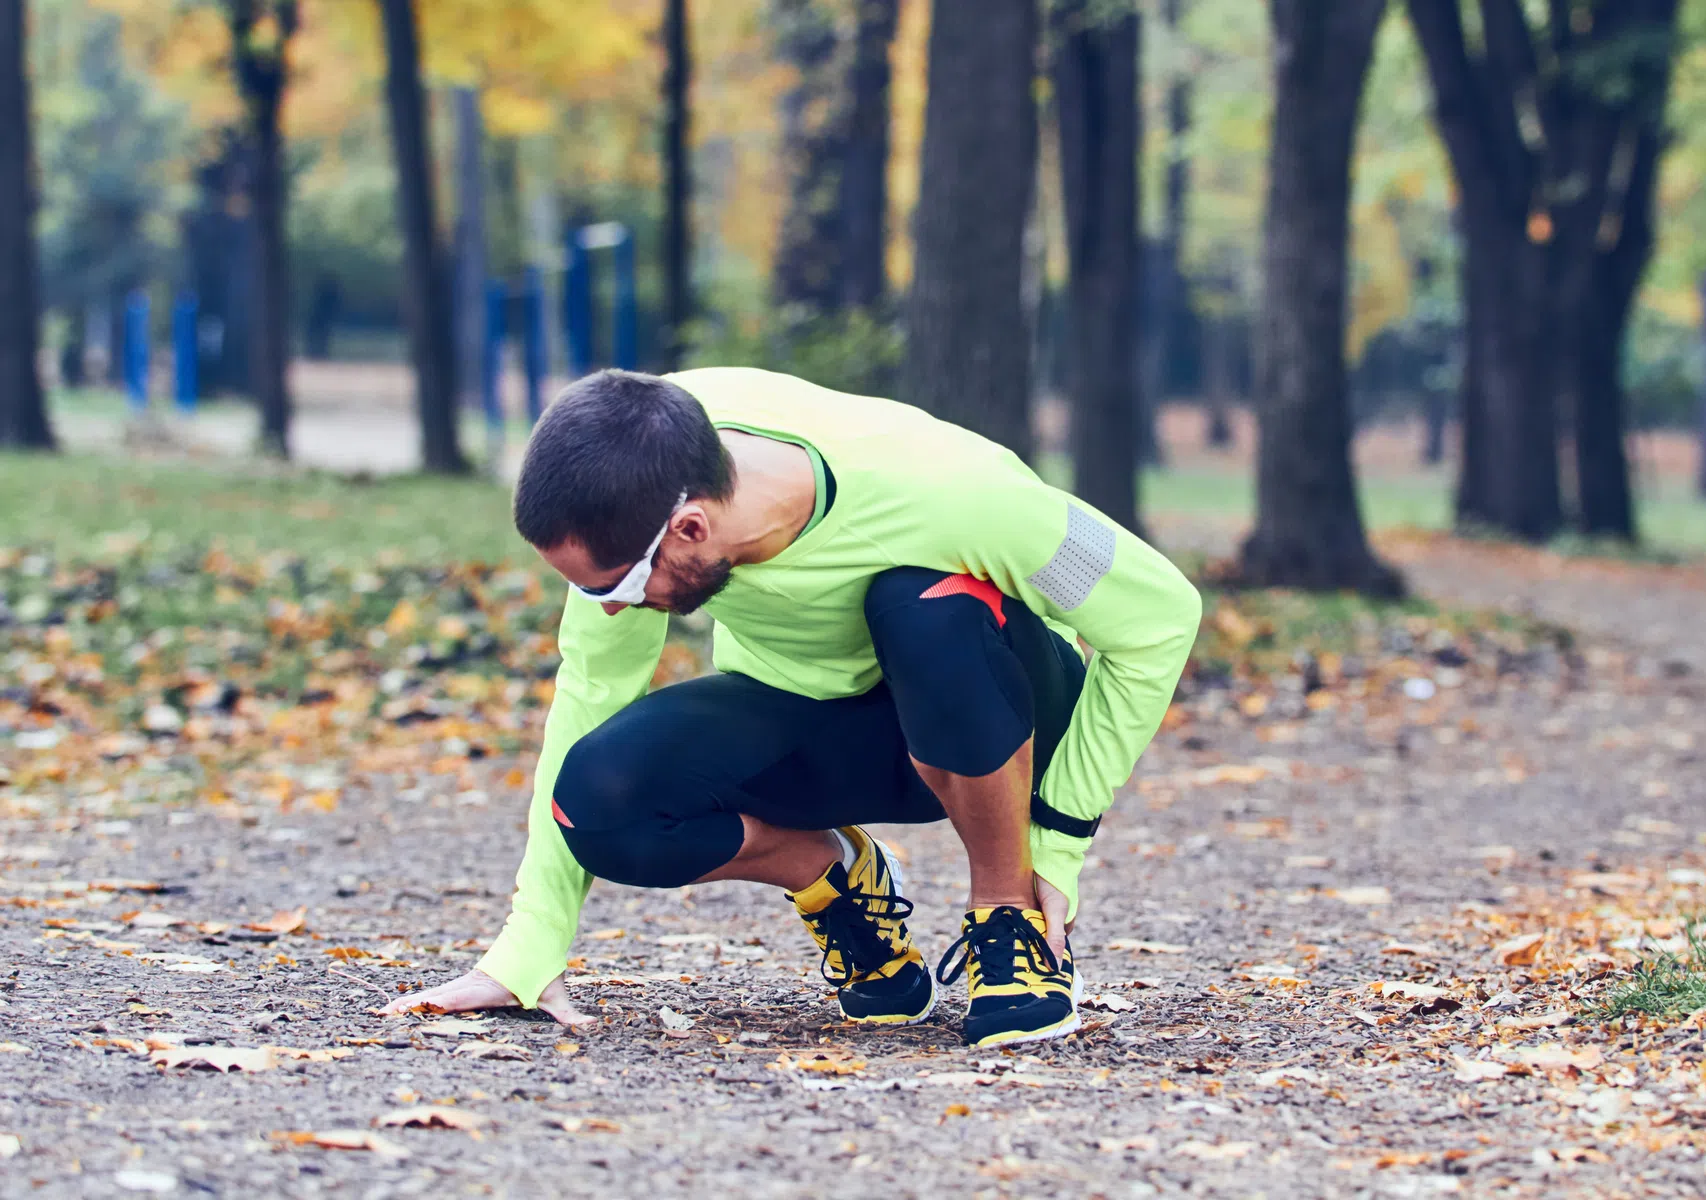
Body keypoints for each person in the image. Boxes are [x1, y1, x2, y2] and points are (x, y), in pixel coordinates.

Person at [382, 368, 1202, 1048]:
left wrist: (1058, 847)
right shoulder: (632, 467)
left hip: (995, 709)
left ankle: (1010, 918)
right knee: (595, 803)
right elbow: (590, 702)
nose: (606, 608)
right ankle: (833, 877)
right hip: (826, 728)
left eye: (616, 588)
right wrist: (528, 950)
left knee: (922, 604)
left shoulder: (959, 492)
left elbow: (1158, 618)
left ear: (692, 527)